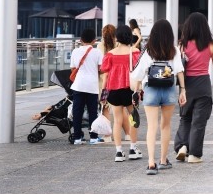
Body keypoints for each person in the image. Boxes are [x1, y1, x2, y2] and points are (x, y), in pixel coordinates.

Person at [130, 19, 186, 175]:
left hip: (151, 90)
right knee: (165, 126)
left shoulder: (148, 51)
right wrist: (183, 90)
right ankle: (163, 160)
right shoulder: (174, 50)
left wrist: (136, 91)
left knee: (152, 127)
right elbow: (179, 71)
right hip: (168, 89)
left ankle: (151, 163)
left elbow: (139, 74)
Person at [174, 12, 213, 164]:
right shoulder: (210, 44)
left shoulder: (182, 44)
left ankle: (182, 146)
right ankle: (194, 155)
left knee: (185, 117)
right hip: (203, 84)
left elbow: (178, 67)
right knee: (199, 121)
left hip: (186, 85)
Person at [100, 25, 142, 163]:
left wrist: (103, 95)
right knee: (133, 118)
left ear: (117, 37)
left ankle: (119, 152)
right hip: (129, 90)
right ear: (130, 37)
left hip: (113, 91)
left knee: (117, 121)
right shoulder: (135, 52)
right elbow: (140, 72)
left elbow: (105, 76)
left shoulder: (110, 54)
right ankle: (133, 149)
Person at [69, 28, 104, 145]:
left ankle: (77, 138)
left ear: (81, 40)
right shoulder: (97, 52)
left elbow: (73, 68)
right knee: (92, 112)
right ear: (94, 40)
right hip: (92, 85)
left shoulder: (75, 51)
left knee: (77, 111)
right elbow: (101, 69)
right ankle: (94, 137)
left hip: (78, 85)